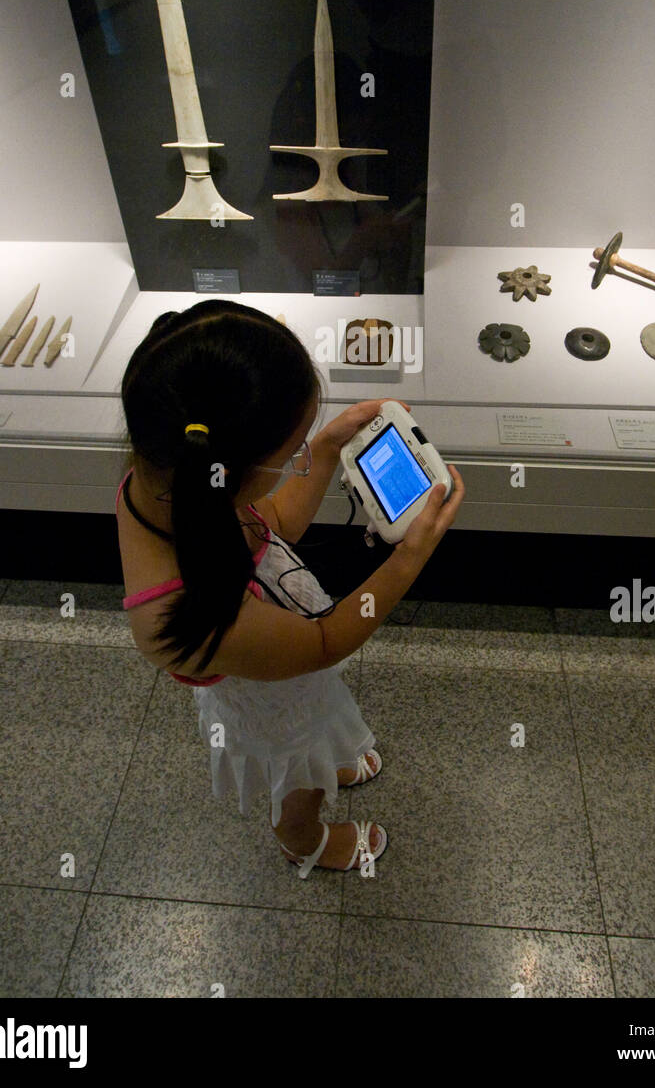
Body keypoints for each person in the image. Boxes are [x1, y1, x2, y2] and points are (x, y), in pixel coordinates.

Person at [116, 300, 465, 877]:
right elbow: (325, 640)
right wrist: (411, 556)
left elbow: (268, 523)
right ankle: (302, 838)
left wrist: (328, 444)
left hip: (283, 668)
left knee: (322, 738)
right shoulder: (180, 613)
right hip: (272, 707)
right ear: (228, 470)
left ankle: (327, 759)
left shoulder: (169, 479)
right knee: (300, 770)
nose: (297, 460)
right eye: (291, 452)